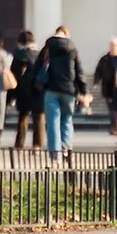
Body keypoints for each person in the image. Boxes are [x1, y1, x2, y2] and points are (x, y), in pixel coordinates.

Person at [31, 26, 87, 159]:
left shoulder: (48, 47)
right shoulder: (72, 48)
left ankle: (55, 154)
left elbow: (37, 68)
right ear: (67, 34)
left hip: (51, 89)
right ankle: (66, 146)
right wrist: (83, 90)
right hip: (68, 90)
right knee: (67, 119)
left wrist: (37, 86)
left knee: (52, 121)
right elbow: (79, 71)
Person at [10, 31, 44, 149]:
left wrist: (12, 95)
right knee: (39, 118)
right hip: (37, 89)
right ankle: (37, 146)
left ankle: (19, 145)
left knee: (22, 118)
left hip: (22, 90)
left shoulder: (17, 56)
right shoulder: (40, 55)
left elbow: (13, 75)